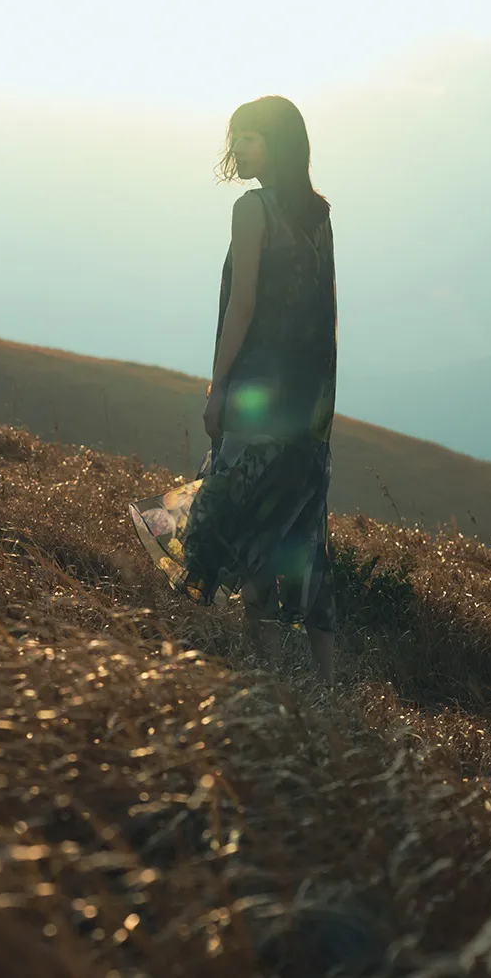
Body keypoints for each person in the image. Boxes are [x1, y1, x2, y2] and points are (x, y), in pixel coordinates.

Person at [129, 95, 338, 685]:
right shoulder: (317, 213)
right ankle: (322, 683)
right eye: (236, 136)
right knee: (305, 536)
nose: (238, 148)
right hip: (306, 409)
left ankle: (268, 673)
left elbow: (242, 304)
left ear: (279, 145)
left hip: (257, 399)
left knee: (238, 529)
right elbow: (326, 313)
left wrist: (218, 388)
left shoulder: (253, 211)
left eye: (251, 138)